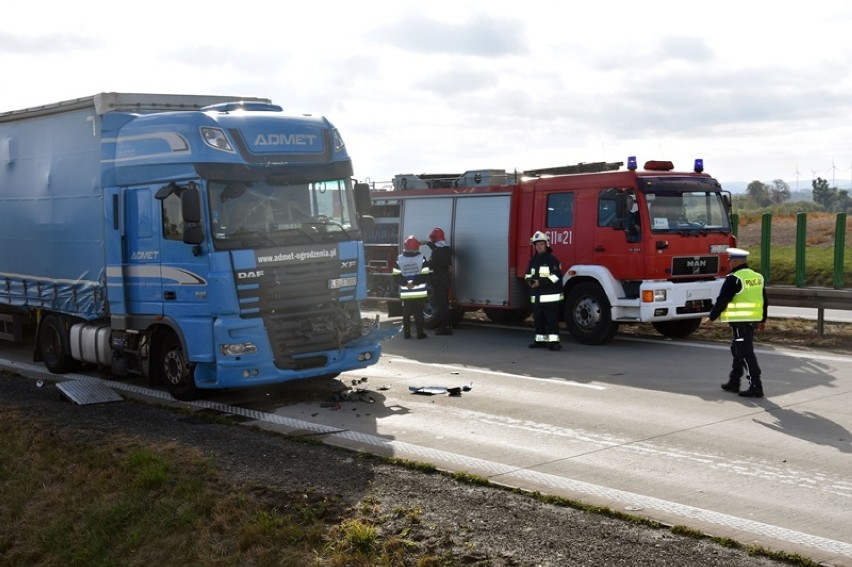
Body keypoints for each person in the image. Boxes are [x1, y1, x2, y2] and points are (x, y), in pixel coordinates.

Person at [706, 247, 768, 397]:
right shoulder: (757, 277)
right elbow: (764, 300)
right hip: (752, 321)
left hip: (740, 323)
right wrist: (763, 319)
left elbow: (723, 299)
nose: (729, 263)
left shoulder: (734, 278)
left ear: (734, 261)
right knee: (737, 350)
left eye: (730, 260)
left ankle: (756, 386)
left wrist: (712, 317)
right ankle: (734, 382)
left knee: (746, 353)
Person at [524, 231, 564, 351]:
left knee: (551, 321)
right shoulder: (533, 260)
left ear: (546, 244)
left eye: (541, 244)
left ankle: (554, 343)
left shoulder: (552, 260)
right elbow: (527, 274)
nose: (539, 246)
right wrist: (530, 281)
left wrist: (540, 282)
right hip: (536, 297)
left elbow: (556, 276)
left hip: (550, 298)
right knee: (538, 320)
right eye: (536, 244)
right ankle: (539, 341)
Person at [393, 235, 431, 340]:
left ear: (406, 246)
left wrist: (406, 283)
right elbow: (425, 273)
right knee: (419, 313)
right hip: (419, 292)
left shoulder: (399, 259)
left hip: (406, 292)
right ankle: (420, 334)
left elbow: (396, 275)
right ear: (417, 247)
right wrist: (415, 283)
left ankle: (406, 334)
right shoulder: (422, 258)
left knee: (406, 313)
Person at [425, 227, 453, 335]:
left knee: (441, 305)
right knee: (444, 303)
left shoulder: (437, 252)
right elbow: (435, 248)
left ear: (435, 238)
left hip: (439, 280)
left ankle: (444, 328)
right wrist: (428, 243)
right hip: (445, 279)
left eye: (432, 238)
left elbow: (430, 264)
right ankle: (447, 325)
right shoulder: (445, 249)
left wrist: (421, 260)